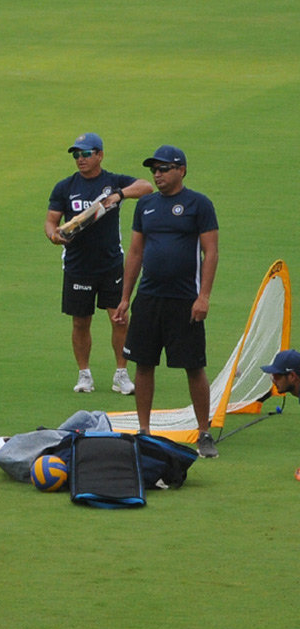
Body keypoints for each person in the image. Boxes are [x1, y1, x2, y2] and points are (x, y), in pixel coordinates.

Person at [115, 145, 219, 458]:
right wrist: (124, 298)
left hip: (185, 300)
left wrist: (203, 297)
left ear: (181, 170)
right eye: (154, 170)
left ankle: (203, 433)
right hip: (148, 298)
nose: (157, 175)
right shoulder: (145, 205)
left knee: (193, 366)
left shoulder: (198, 204)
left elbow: (210, 252)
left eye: (164, 169)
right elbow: (135, 252)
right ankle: (144, 432)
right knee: (143, 364)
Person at [45, 132, 153, 395]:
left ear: (100, 155)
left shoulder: (112, 182)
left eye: (85, 153)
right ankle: (85, 375)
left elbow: (146, 186)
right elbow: (51, 221)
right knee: (81, 322)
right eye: (76, 155)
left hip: (111, 264)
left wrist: (119, 195)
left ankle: (121, 374)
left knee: (119, 319)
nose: (80, 159)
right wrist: (54, 235)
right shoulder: (65, 187)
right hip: (77, 265)